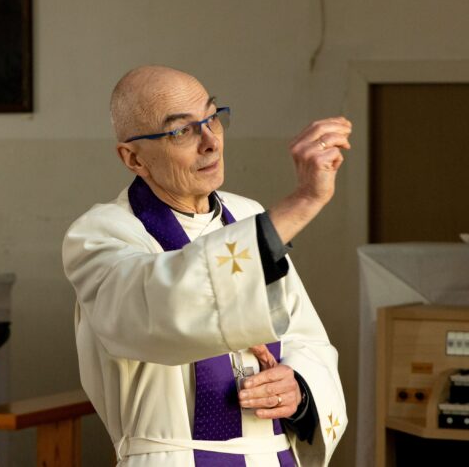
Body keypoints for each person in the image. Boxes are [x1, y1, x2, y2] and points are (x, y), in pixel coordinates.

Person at [62, 65, 350, 466]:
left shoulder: (247, 216)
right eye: (182, 131)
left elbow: (304, 337)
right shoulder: (101, 234)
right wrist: (302, 202)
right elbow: (161, 307)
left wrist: (298, 389)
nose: (211, 142)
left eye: (212, 118)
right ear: (134, 158)